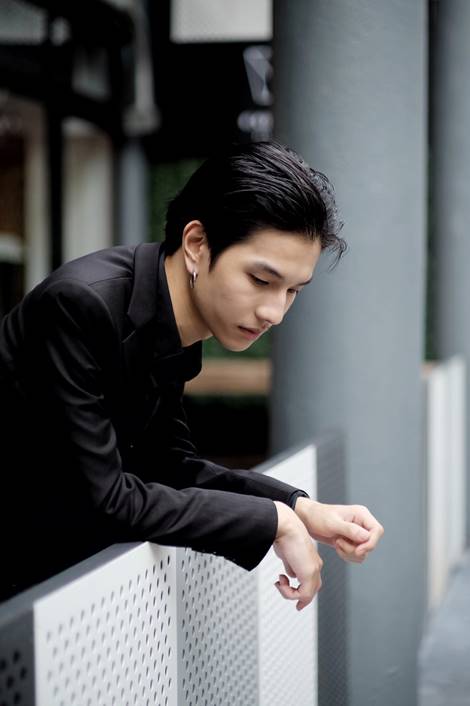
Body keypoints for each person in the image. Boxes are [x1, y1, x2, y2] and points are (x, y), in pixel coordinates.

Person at [0, 140, 383, 607]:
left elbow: (169, 463)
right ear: (197, 245)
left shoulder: (172, 319)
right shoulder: (79, 305)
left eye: (292, 291)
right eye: (261, 281)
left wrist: (298, 507)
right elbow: (105, 500)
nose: (275, 312)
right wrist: (272, 521)